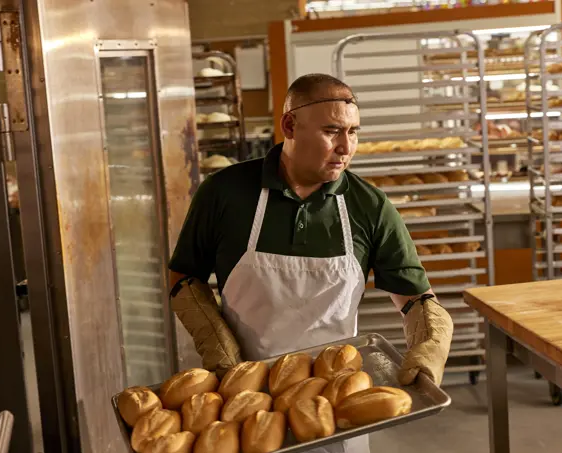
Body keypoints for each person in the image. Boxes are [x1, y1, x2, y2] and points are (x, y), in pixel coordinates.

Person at [168, 73, 453, 453]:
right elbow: (184, 275)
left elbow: (415, 298)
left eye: (353, 132)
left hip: (336, 404)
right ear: (290, 125)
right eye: (332, 131)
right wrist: (217, 344)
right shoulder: (225, 193)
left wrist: (431, 341)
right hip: (244, 391)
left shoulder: (369, 206)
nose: (345, 147)